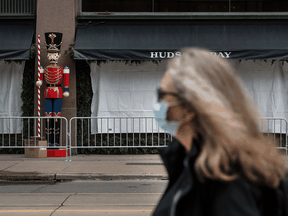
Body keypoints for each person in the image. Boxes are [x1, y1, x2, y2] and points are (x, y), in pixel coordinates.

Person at [152, 47, 287, 216]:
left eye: (162, 94)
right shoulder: (189, 161)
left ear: (189, 108)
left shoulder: (226, 175)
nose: (158, 103)